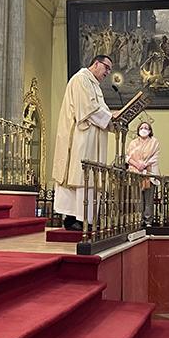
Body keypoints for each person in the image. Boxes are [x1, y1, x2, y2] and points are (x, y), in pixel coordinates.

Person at [52, 54, 114, 231]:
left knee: (88, 176)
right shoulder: (81, 79)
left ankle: (85, 218)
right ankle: (76, 218)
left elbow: (101, 111)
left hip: (92, 139)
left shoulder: (94, 85)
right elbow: (87, 110)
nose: (108, 72)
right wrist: (111, 118)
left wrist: (113, 119)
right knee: (79, 176)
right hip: (81, 138)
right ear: (96, 63)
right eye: (106, 67)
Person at [126, 121, 160, 226]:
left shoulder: (154, 142)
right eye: (141, 128)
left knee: (148, 199)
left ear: (150, 131)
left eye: (146, 128)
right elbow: (127, 157)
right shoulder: (133, 143)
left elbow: (155, 156)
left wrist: (144, 164)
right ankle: (138, 219)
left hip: (149, 173)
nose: (143, 129)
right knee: (137, 198)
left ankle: (148, 220)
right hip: (136, 172)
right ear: (138, 130)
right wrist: (137, 164)